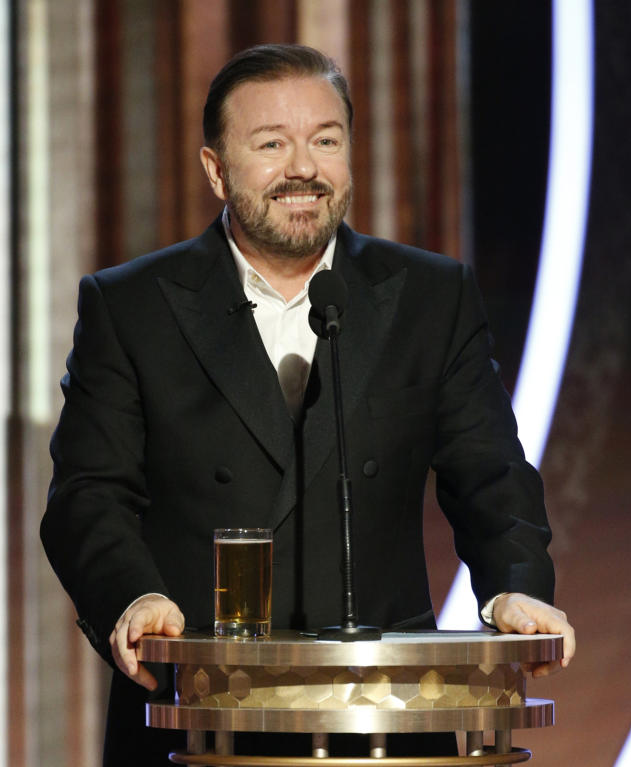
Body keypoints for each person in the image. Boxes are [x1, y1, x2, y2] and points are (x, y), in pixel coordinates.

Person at [41, 43, 575, 765]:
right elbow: (87, 496)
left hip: (384, 715)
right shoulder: (132, 306)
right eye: (271, 144)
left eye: (325, 140)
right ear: (215, 168)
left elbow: (489, 472)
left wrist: (514, 586)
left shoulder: (426, 296)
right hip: (196, 711)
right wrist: (133, 599)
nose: (303, 168)